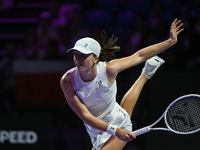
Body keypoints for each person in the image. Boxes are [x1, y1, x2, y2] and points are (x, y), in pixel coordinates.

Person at [60, 19, 184, 150]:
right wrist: (114, 130)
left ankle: (146, 73)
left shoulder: (109, 69)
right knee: (125, 111)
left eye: (83, 56)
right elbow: (85, 116)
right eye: (76, 55)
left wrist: (170, 41)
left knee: (124, 116)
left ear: (96, 58)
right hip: (95, 128)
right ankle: (146, 73)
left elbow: (139, 56)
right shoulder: (68, 80)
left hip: (118, 124)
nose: (78, 59)